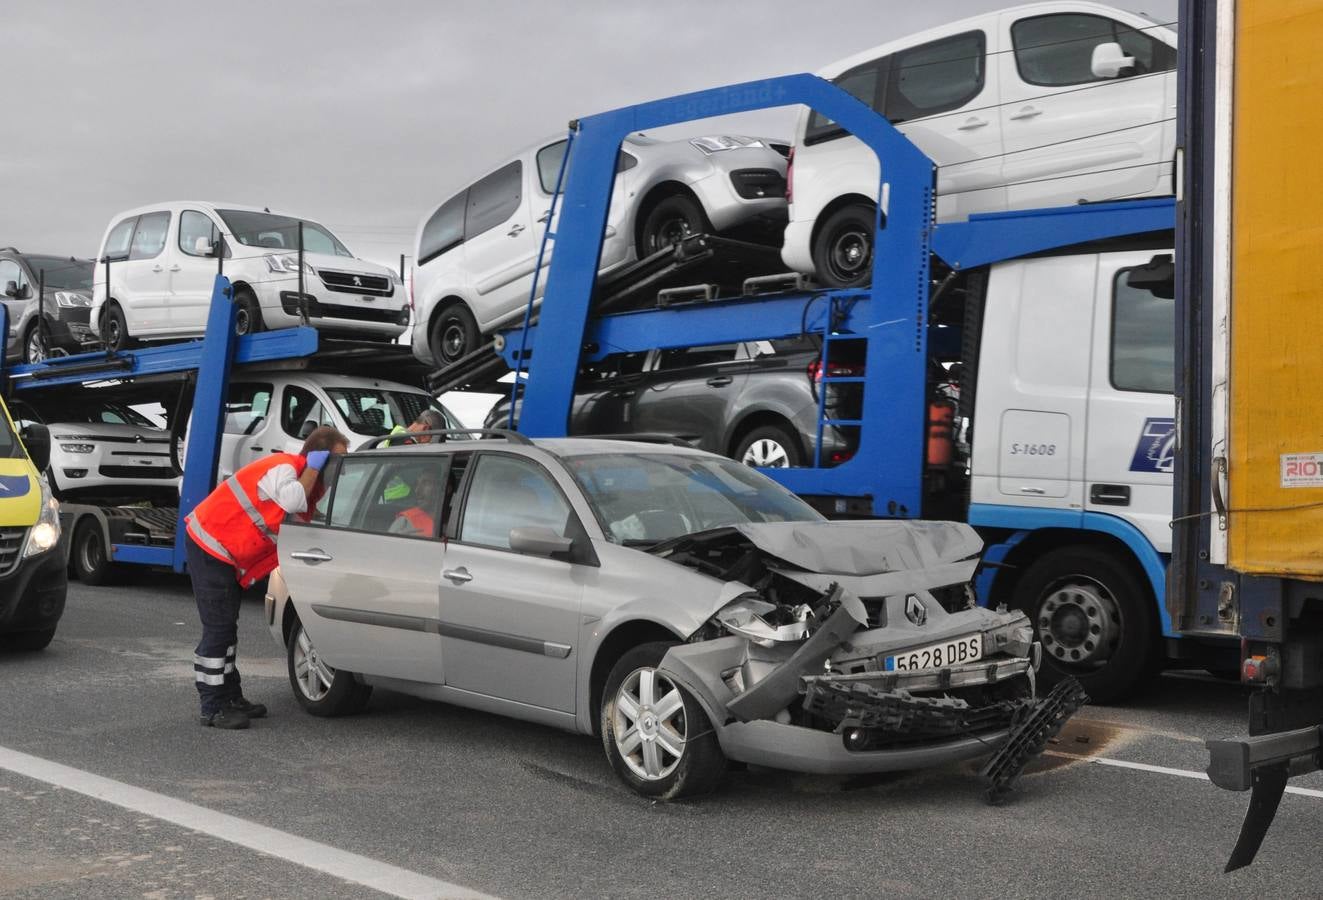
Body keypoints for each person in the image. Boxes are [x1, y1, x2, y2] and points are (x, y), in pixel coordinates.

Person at [185, 425, 350, 730]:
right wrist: (313, 468)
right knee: (218, 630)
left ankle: (230, 696)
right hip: (211, 546)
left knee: (226, 630)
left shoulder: (305, 485)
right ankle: (212, 706)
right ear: (319, 457)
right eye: (337, 460)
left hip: (225, 554)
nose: (340, 469)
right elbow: (290, 501)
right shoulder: (285, 468)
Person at [389, 468, 440, 536]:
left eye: (426, 483)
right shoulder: (405, 522)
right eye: (417, 484)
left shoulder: (455, 520)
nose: (417, 490)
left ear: (440, 488)